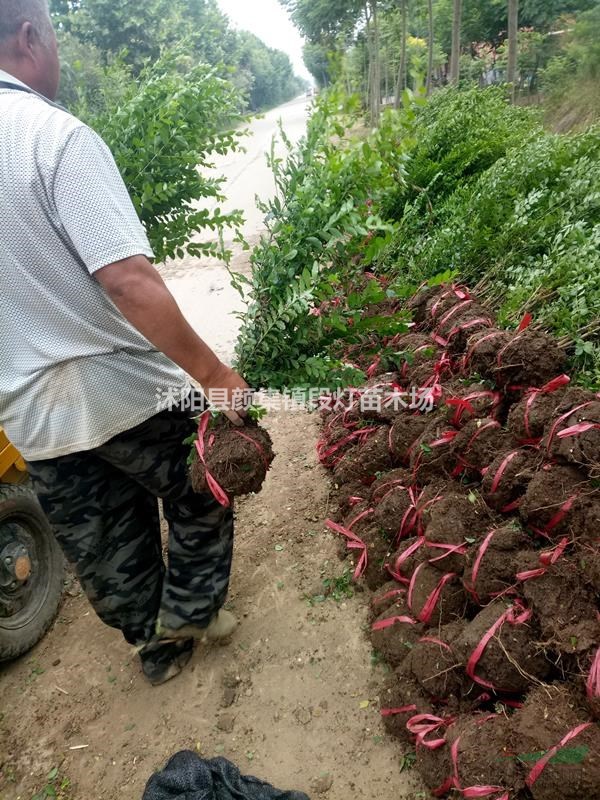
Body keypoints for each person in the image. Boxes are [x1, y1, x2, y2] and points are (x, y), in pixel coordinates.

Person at [0, 0, 249, 685]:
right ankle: (193, 611)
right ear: (28, 37)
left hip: (29, 415)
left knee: (103, 534)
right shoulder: (51, 137)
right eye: (53, 36)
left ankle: (153, 642)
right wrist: (215, 371)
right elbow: (128, 280)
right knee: (201, 491)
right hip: (124, 393)